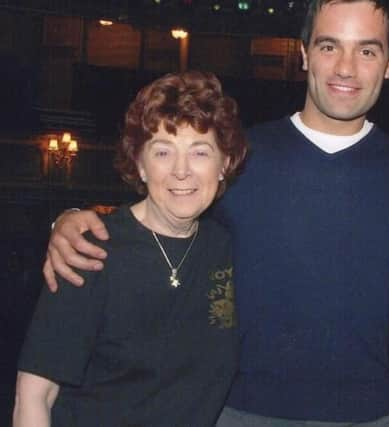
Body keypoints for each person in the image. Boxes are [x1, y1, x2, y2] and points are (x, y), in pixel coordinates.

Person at [42, 1, 389, 425]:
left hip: (378, 417)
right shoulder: (240, 158)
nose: (346, 66)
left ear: (388, 65)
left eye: (367, 50)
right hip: (241, 412)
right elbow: (163, 209)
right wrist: (70, 217)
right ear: (304, 52)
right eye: (330, 45)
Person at [13, 71, 247, 426]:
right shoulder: (88, 250)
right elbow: (33, 397)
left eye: (200, 152)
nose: (181, 171)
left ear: (224, 164)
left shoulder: (227, 248)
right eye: (163, 152)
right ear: (139, 163)